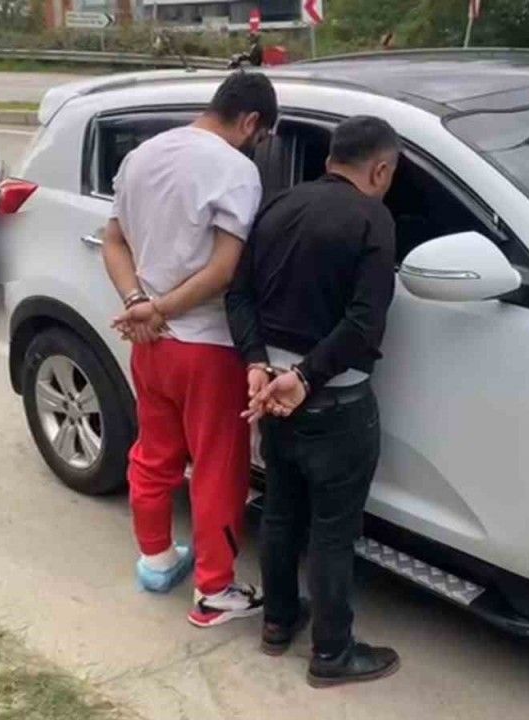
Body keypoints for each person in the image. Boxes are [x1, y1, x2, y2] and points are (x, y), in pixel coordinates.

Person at [226, 116, 402, 686]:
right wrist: (306, 376)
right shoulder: (373, 218)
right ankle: (332, 654)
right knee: (332, 532)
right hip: (335, 405)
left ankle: (277, 624)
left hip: (271, 396)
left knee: (280, 512)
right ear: (380, 169)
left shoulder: (278, 204)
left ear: (330, 158)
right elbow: (365, 322)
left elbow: (239, 294)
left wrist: (257, 362)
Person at [103, 72, 278, 628]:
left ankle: (156, 559)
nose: (257, 147)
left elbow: (113, 240)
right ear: (251, 122)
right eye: (261, 138)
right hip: (207, 347)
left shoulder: (142, 156)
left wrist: (139, 303)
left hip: (150, 346)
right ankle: (214, 592)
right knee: (218, 469)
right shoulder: (235, 170)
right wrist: (162, 310)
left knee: (154, 453)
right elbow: (224, 271)